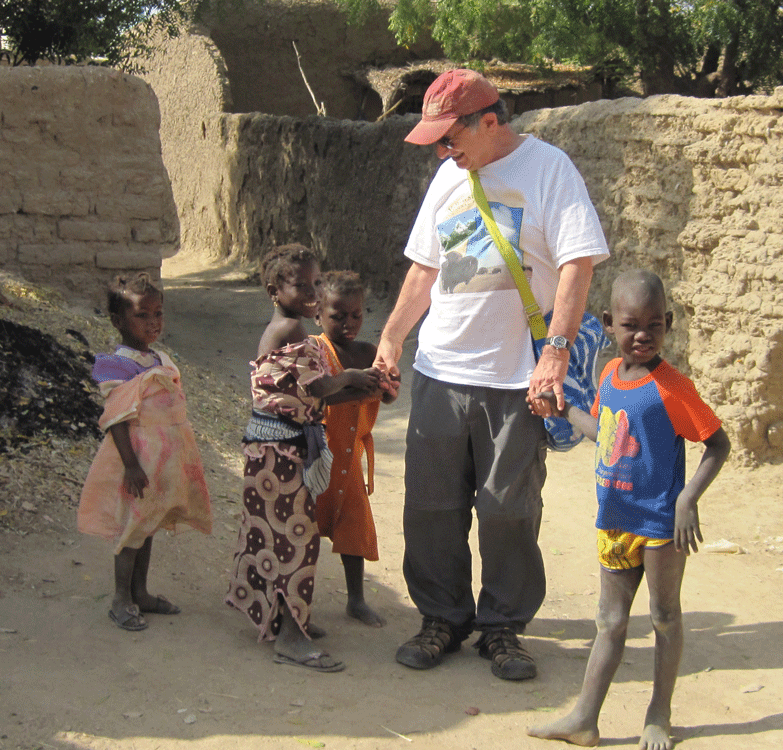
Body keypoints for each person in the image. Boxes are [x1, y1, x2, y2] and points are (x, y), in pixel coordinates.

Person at [373, 68, 609, 681]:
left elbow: (578, 263)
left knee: (508, 509)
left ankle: (502, 626)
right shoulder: (449, 177)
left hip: (515, 377)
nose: (443, 153)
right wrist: (392, 340)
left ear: (488, 121)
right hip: (440, 370)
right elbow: (424, 269)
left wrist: (555, 353)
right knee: (431, 506)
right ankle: (442, 619)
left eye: (450, 139)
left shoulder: (549, 169)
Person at [528, 269, 731, 749]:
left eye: (654, 325)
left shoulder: (673, 387)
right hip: (615, 519)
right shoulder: (609, 376)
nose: (643, 335)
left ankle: (658, 714)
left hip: (659, 524)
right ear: (608, 323)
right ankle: (584, 718)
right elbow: (606, 433)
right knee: (610, 623)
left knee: (664, 616)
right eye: (630, 325)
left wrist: (687, 498)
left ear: (669, 324)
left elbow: (718, 444)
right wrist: (563, 411)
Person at [224, 245, 381, 673]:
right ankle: (291, 638)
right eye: (302, 285)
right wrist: (351, 377)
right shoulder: (292, 330)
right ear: (274, 291)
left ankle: (285, 620)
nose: (312, 292)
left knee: (277, 537)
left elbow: (307, 395)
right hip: (280, 452)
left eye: (316, 283)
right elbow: (317, 389)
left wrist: (360, 388)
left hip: (271, 448)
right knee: (295, 543)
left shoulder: (284, 327)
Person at [78, 272, 213, 632]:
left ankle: (141, 592)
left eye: (158, 313)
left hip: (162, 460)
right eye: (142, 315)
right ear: (118, 321)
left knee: (148, 523)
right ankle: (121, 599)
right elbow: (117, 419)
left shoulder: (159, 358)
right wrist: (131, 465)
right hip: (137, 458)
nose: (153, 322)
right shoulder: (117, 365)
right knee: (132, 528)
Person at [310, 271, 399, 628]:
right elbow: (316, 395)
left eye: (356, 315)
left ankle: (356, 600)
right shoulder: (314, 351)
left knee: (353, 528)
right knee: (304, 529)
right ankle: (295, 598)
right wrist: (355, 385)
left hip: (349, 461)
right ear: (317, 315)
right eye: (338, 316)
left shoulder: (367, 353)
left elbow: (386, 396)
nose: (349, 323)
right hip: (316, 459)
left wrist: (387, 387)